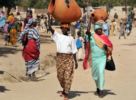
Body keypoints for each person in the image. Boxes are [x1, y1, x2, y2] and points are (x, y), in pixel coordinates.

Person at [83, 22, 113, 98]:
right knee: (95, 75)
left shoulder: (104, 37)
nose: (99, 30)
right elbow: (87, 31)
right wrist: (90, 20)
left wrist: (107, 48)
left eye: (100, 29)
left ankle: (101, 89)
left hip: (102, 57)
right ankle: (98, 87)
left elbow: (110, 46)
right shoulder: (92, 36)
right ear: (95, 30)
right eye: (98, 29)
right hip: (94, 58)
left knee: (101, 72)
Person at [49, 24, 78, 100]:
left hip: (69, 58)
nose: (63, 29)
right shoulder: (58, 36)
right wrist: (49, 17)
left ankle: (66, 93)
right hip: (59, 58)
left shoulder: (71, 38)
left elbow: (74, 51)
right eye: (62, 28)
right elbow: (50, 28)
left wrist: (76, 62)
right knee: (60, 76)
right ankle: (64, 89)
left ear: (67, 29)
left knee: (67, 76)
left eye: (65, 28)